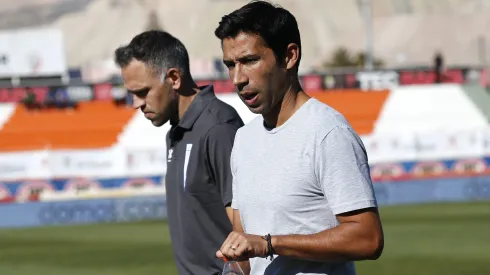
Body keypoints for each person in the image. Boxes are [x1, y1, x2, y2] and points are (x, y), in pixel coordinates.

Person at [213, 1, 384, 274]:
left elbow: (368, 239)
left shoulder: (327, 132)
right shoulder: (244, 139)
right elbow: (245, 247)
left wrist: (271, 244)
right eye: (230, 65)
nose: (237, 78)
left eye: (249, 61)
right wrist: (235, 267)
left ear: (289, 56)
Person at [114, 30, 244, 275]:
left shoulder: (218, 128)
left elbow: (248, 224)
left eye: (142, 92)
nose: (135, 103)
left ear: (173, 78)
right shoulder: (175, 132)